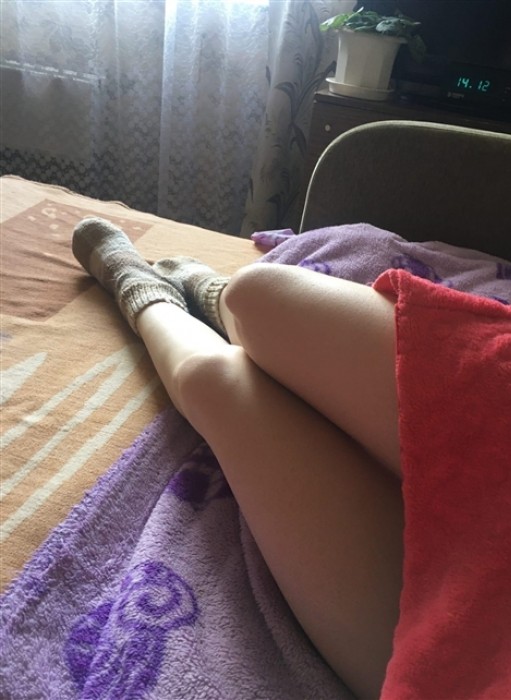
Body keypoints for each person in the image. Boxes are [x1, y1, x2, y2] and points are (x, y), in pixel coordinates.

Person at [72, 216, 404, 699]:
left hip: (470, 652)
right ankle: (214, 297)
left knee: (213, 381)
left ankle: (143, 293)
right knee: (260, 297)